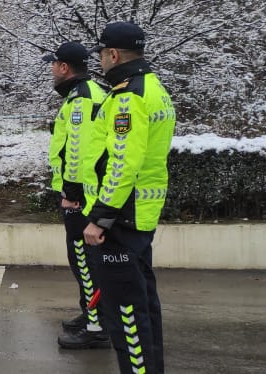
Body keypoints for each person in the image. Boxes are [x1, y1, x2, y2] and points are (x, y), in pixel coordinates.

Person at [84, 22, 176, 374]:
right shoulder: (153, 87)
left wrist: (100, 218)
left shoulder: (128, 96)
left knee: (126, 315)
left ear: (113, 54)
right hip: (139, 214)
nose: (100, 62)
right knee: (144, 307)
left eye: (102, 55)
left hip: (122, 217)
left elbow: (123, 163)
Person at [43, 42, 110, 350]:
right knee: (84, 262)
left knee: (85, 262)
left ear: (64, 67)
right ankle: (91, 314)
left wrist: (71, 193)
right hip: (85, 196)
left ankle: (97, 326)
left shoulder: (82, 98)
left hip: (82, 199)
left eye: (54, 64)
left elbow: (79, 150)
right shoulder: (82, 94)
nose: (52, 70)